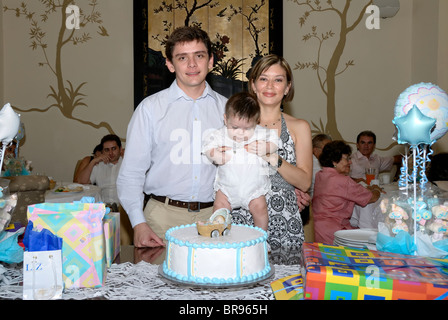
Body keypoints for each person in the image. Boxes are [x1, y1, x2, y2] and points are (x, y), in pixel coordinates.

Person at [117, 26, 227, 248]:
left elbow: (247, 164)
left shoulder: (228, 110)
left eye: (199, 55)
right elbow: (131, 174)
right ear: (170, 64)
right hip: (161, 219)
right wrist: (138, 224)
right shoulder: (149, 109)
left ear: (211, 60)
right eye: (182, 57)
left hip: (216, 217)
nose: (192, 64)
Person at [231, 54, 313, 251]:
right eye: (263, 79)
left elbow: (304, 182)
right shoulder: (236, 124)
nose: (269, 86)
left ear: (287, 87)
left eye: (278, 80)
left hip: (283, 219)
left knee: (285, 281)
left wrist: (272, 157)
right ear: (253, 85)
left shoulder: (299, 127)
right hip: (241, 216)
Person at [203, 92, 278, 231]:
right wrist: (216, 155)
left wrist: (266, 147)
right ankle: (217, 233)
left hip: (253, 189)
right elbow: (207, 146)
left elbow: (274, 141)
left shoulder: (260, 133)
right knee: (219, 207)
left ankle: (261, 238)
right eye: (235, 127)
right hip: (227, 188)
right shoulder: (220, 134)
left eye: (247, 128)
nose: (240, 133)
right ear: (225, 119)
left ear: (256, 122)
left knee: (260, 209)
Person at [313, 141, 382, 244]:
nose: (350, 162)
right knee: (374, 238)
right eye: (346, 159)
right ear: (334, 162)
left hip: (317, 229)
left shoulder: (320, 175)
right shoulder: (343, 181)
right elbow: (371, 198)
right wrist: (376, 188)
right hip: (335, 232)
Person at [76, 134, 123, 209]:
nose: (110, 153)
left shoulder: (128, 165)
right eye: (107, 150)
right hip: (102, 208)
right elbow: (81, 181)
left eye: (114, 149)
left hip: (124, 209)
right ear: (102, 152)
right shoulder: (99, 166)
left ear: (120, 149)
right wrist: (93, 162)